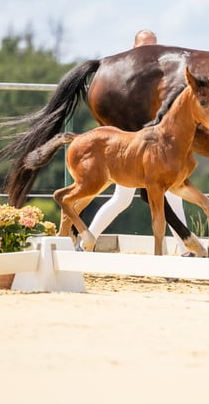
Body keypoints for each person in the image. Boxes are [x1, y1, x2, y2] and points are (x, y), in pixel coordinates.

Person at [82, 29, 191, 255]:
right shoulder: (124, 77)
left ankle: (184, 250)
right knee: (123, 199)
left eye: (153, 47)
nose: (150, 53)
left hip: (155, 152)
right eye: (144, 47)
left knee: (159, 197)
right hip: (131, 153)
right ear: (134, 49)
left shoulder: (160, 76)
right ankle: (85, 243)